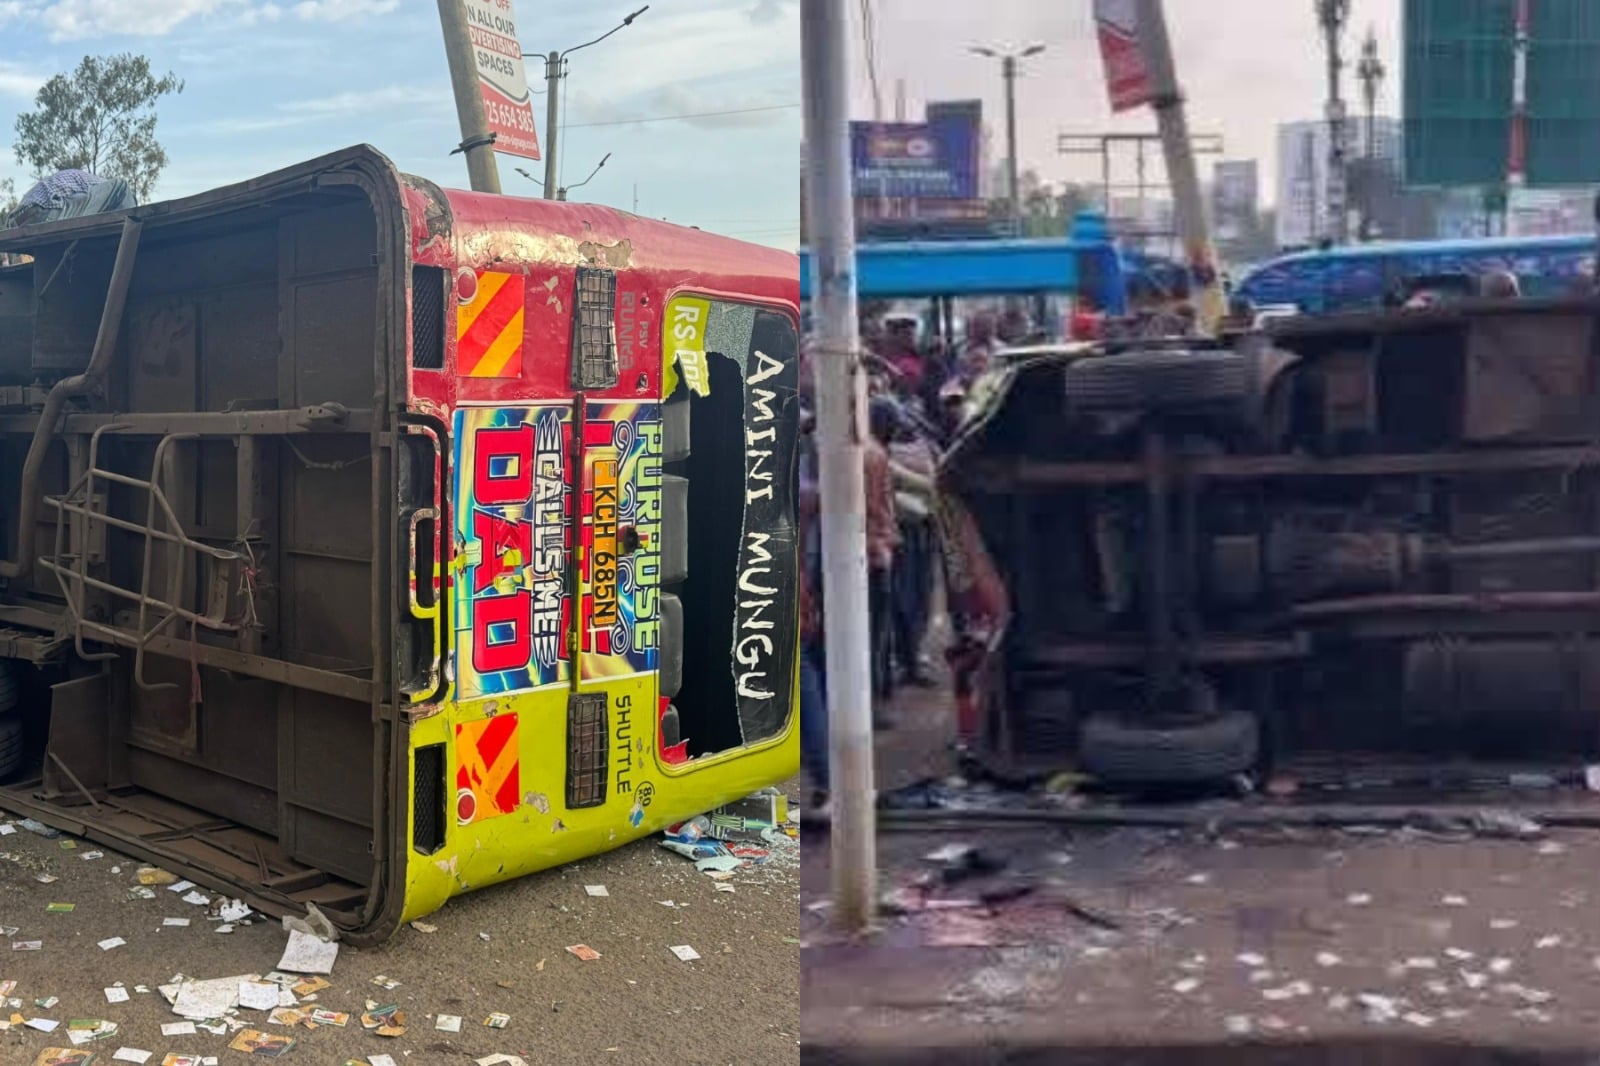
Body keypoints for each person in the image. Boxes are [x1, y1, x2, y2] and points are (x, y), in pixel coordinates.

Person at [865, 396, 902, 713]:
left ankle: (878, 693)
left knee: (877, 631)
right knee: (875, 631)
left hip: (871, 548)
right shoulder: (874, 455)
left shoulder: (868, 451)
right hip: (874, 551)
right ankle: (873, 701)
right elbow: (876, 508)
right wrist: (883, 541)